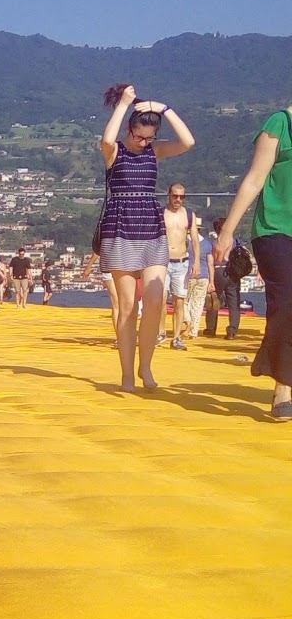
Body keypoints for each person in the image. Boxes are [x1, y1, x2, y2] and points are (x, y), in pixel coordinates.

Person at [98, 84, 195, 391]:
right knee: (127, 305)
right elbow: (107, 138)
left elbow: (188, 142)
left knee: (156, 299)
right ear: (130, 128)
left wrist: (163, 108)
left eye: (149, 138)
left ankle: (146, 367)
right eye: (139, 136)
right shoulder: (115, 151)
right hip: (120, 228)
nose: (143, 142)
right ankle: (127, 374)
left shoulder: (154, 151)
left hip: (151, 228)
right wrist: (125, 103)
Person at [214, 104, 292, 421]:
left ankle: (269, 357)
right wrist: (228, 231)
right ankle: (283, 388)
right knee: (286, 301)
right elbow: (254, 179)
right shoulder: (280, 123)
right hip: (275, 229)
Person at [161, 183, 200, 350]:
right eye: (175, 196)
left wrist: (196, 261)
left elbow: (195, 240)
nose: (178, 200)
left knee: (179, 301)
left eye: (181, 197)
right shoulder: (161, 213)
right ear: (168, 195)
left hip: (182, 262)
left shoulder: (189, 215)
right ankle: (160, 332)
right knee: (160, 299)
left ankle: (176, 337)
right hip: (162, 263)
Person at [205, 217, 242, 338]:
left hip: (218, 271)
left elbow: (209, 260)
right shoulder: (236, 241)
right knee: (234, 302)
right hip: (233, 272)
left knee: (214, 299)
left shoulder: (213, 243)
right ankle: (232, 330)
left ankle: (211, 329)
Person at [183, 221, 214, 344]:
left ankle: (187, 321)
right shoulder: (207, 244)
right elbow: (210, 263)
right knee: (198, 304)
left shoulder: (185, 242)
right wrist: (212, 281)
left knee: (184, 301)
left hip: (188, 274)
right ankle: (194, 331)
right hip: (204, 276)